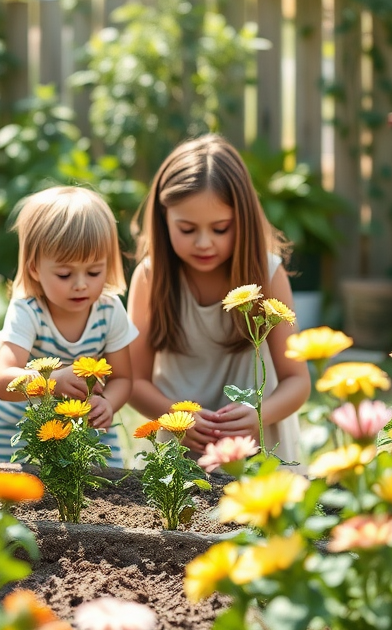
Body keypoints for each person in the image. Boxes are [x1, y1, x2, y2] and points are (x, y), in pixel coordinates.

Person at [127, 134, 311, 463]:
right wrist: (176, 417)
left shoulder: (268, 275)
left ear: (243, 220)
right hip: (175, 456)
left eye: (220, 228)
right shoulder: (150, 277)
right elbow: (133, 381)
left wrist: (259, 414)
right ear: (163, 218)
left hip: (257, 449)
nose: (204, 243)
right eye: (186, 229)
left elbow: (297, 382)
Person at [0, 186, 137, 468]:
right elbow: (4, 381)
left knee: (107, 481)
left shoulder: (109, 310)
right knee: (11, 486)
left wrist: (108, 403)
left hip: (80, 416)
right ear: (35, 267)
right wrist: (53, 382)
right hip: (15, 423)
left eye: (94, 271)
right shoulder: (28, 310)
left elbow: (123, 378)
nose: (81, 284)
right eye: (65, 273)